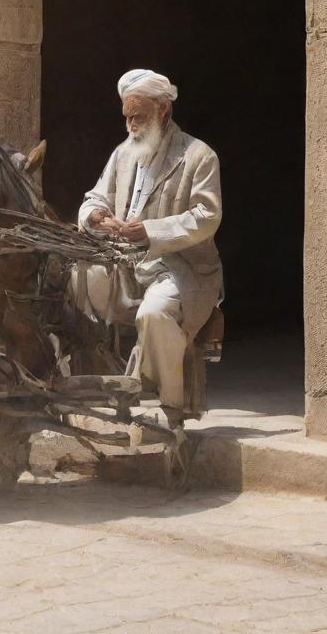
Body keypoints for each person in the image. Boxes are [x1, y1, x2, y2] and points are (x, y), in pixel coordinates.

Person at [76, 69, 223, 428]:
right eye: (127, 118)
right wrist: (95, 216)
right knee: (75, 280)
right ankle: (94, 377)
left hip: (180, 269)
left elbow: (207, 216)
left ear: (163, 111)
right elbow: (95, 196)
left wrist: (150, 231)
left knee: (153, 314)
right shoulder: (123, 153)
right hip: (126, 266)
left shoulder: (198, 156)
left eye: (138, 117)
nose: (131, 126)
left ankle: (170, 407)